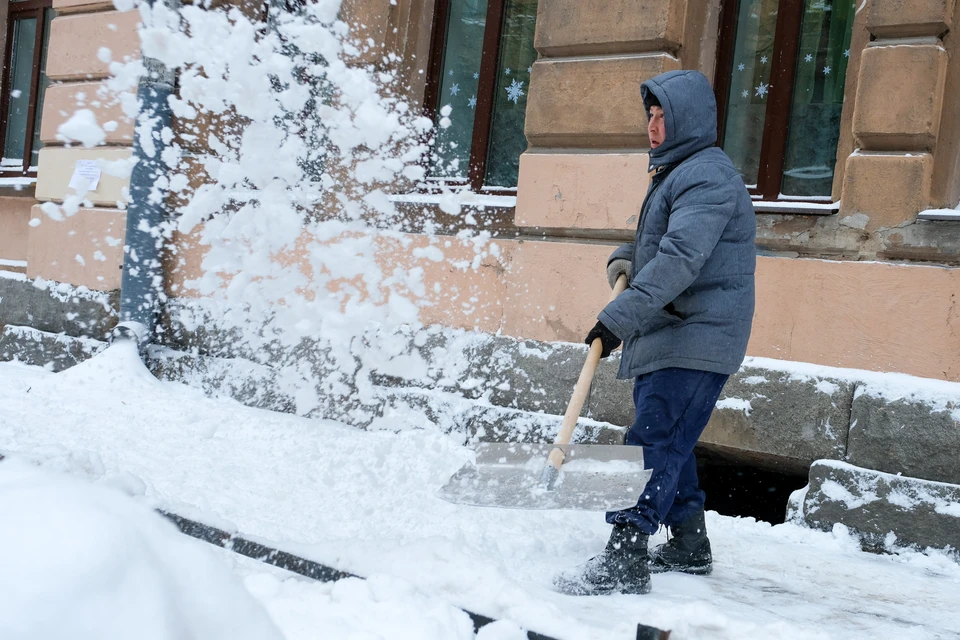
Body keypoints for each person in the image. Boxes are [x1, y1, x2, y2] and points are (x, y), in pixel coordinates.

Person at [555, 70, 756, 596]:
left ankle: (625, 555)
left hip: (695, 336)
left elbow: (680, 260)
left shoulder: (707, 176)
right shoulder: (678, 173)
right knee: (672, 439)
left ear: (687, 119)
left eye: (662, 115)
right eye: (650, 115)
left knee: (650, 444)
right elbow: (661, 247)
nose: (653, 125)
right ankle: (689, 543)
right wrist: (628, 256)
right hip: (673, 332)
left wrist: (619, 318)